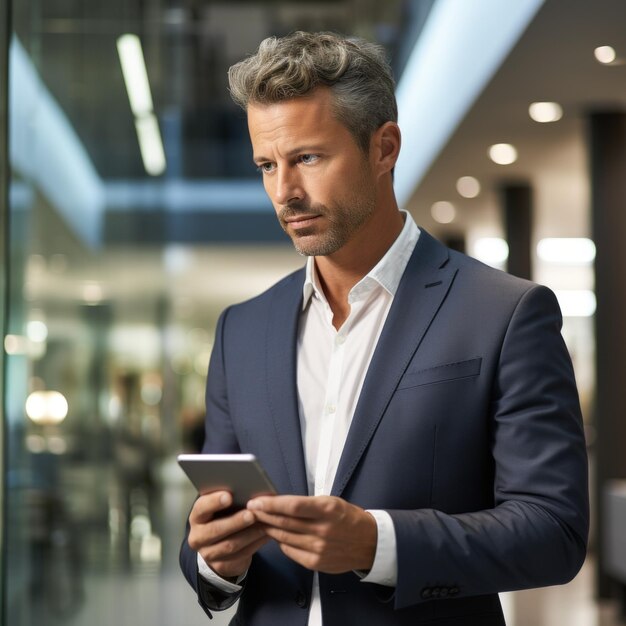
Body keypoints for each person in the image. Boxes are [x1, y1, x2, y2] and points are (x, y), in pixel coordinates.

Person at [180, 31, 589, 626]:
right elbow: (209, 543)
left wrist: (378, 543)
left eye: (308, 158)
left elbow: (553, 531)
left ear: (384, 148)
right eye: (267, 165)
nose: (284, 192)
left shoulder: (505, 313)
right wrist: (217, 561)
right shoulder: (241, 330)